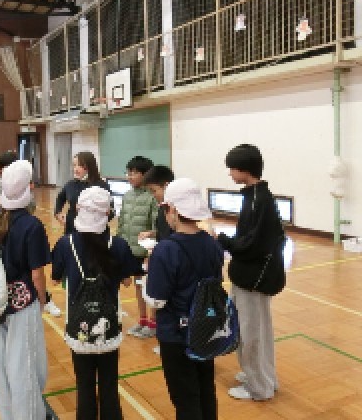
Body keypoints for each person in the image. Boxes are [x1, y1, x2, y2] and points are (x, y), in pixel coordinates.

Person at [52, 186, 136, 420]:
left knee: (84, 384)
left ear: (79, 209)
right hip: (109, 323)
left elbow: (56, 278)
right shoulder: (118, 244)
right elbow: (127, 281)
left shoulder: (65, 244)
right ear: (108, 213)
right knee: (109, 382)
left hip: (78, 324)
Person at [145, 178, 223, 419]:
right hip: (206, 329)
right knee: (206, 390)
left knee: (185, 398)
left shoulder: (165, 249)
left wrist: (150, 270)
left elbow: (156, 300)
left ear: (173, 210)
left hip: (176, 335)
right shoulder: (211, 243)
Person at [216, 144, 284, 401]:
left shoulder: (258, 200)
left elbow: (253, 245)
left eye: (232, 169)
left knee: (251, 333)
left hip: (253, 279)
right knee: (257, 330)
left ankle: (259, 387)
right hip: (253, 276)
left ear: (245, 169)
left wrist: (223, 240)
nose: (230, 174)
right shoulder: (256, 197)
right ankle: (265, 378)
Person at [0, 160, 50, 420]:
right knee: (24, 364)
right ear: (28, 188)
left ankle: (9, 414)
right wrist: (43, 299)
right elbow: (37, 274)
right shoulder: (32, 225)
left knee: (3, 362)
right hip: (23, 303)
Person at [116, 155, 158, 338]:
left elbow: (158, 226)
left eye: (134, 173)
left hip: (147, 252)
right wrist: (119, 245)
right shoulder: (127, 196)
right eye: (129, 172)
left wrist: (151, 246)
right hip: (130, 250)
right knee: (138, 286)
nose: (130, 176)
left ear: (145, 174)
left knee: (152, 287)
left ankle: (153, 323)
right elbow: (122, 223)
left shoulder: (152, 197)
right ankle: (142, 320)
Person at [54, 151, 112, 235]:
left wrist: (105, 216)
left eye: (79, 165)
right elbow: (60, 198)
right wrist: (58, 212)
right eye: (74, 165)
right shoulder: (70, 184)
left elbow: (111, 210)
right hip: (72, 229)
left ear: (89, 166)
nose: (75, 169)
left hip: (96, 233)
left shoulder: (102, 185)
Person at [141, 165, 176, 243]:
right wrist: (152, 234)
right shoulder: (162, 207)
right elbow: (164, 233)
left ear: (166, 186)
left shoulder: (178, 210)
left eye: (154, 191)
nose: (153, 195)